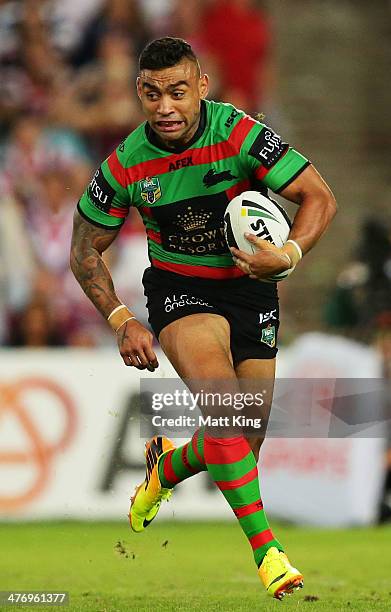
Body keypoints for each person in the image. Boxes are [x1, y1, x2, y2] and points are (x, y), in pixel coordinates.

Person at [70, 37, 337, 600]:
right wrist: (122, 319)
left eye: (176, 91)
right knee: (223, 407)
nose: (164, 106)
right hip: (180, 290)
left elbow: (319, 198)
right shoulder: (125, 164)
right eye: (151, 93)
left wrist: (286, 257)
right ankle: (269, 555)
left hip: (252, 288)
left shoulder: (240, 134)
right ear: (138, 95)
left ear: (201, 89)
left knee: (245, 434)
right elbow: (83, 249)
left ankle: (168, 467)